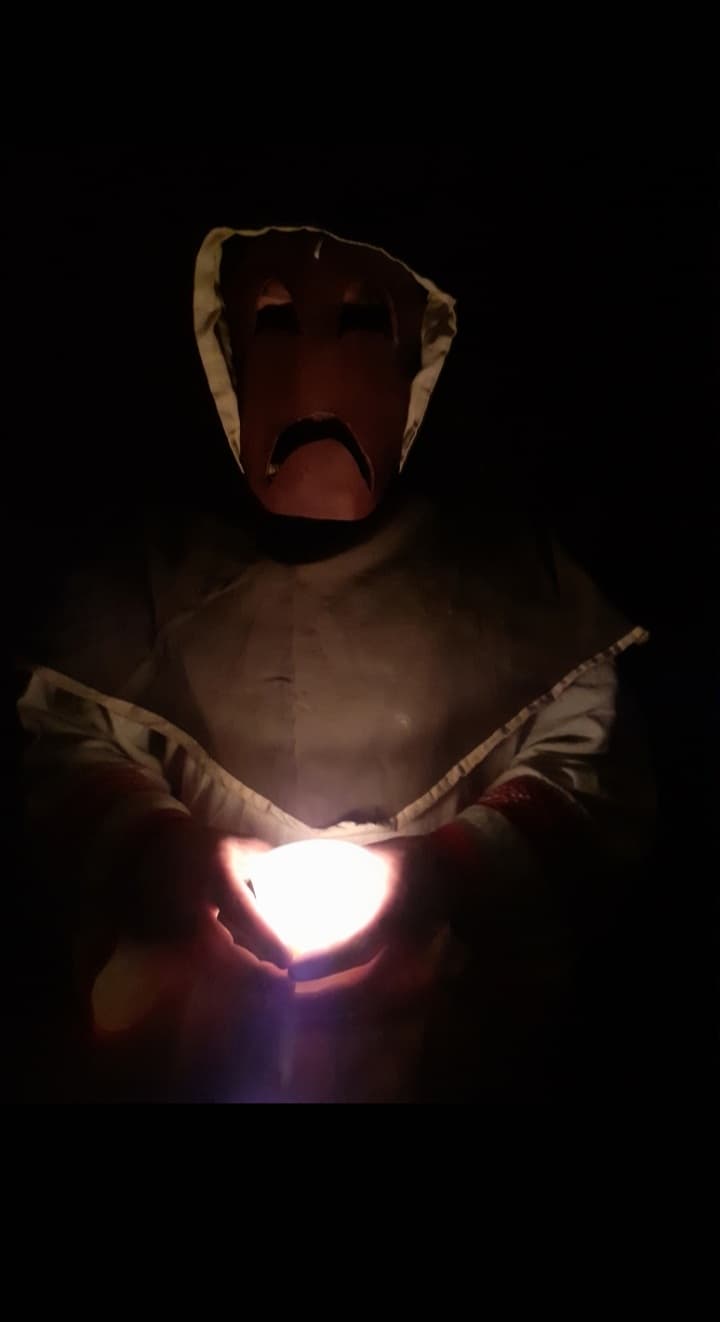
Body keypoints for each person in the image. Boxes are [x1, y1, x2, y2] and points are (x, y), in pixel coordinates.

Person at [17, 226, 653, 1101]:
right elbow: (60, 748)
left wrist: (446, 870)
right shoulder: (138, 585)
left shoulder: (517, 586)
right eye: (275, 319)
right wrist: (166, 851)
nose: (317, 364)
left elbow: (591, 773)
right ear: (226, 346)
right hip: (192, 1049)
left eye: (362, 320)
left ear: (419, 350)